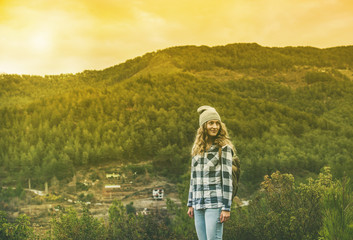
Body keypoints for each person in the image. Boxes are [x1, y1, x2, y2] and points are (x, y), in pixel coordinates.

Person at [187, 106, 236, 240]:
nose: (214, 127)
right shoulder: (197, 149)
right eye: (211, 123)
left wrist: (226, 207)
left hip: (215, 203)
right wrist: (190, 203)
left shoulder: (224, 148)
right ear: (203, 126)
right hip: (198, 204)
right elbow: (193, 179)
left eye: (217, 123)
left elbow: (227, 180)